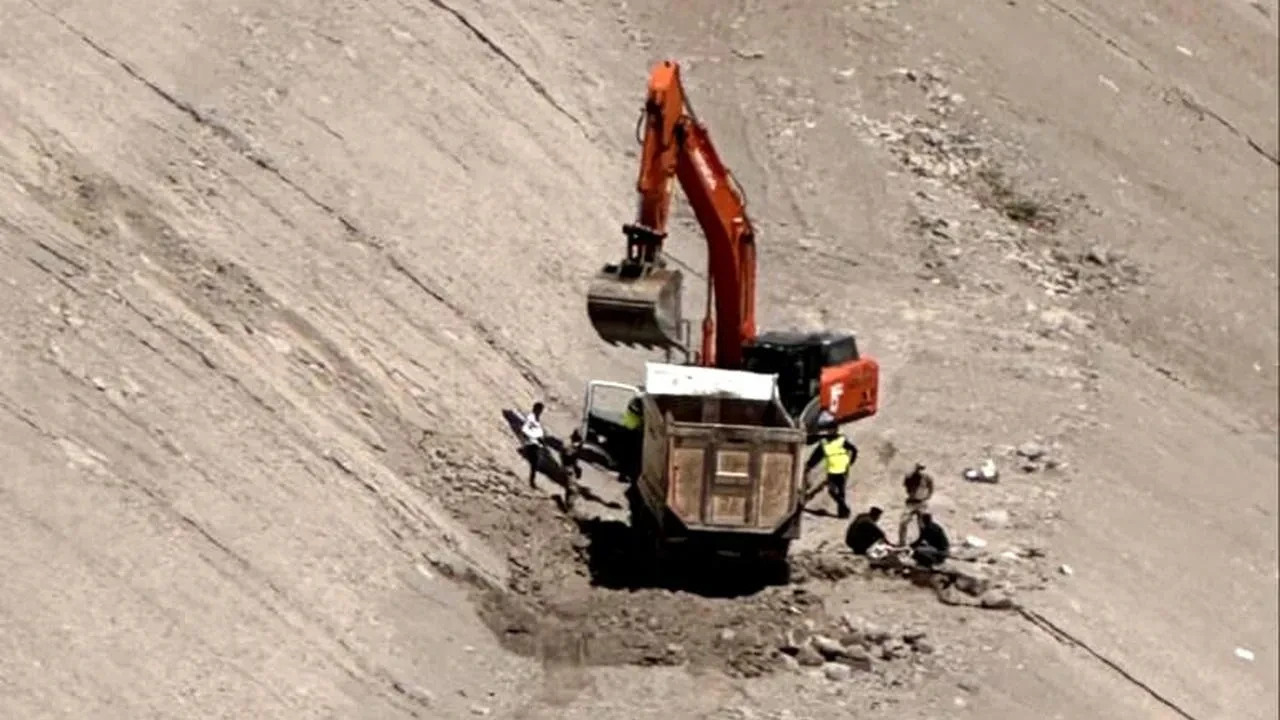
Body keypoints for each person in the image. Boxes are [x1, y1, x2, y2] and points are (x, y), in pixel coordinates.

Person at [805, 428, 858, 519]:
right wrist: (810, 465)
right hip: (836, 469)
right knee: (834, 491)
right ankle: (844, 510)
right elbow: (817, 455)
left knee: (838, 491)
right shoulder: (829, 442)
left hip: (840, 469)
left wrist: (851, 462)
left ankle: (843, 512)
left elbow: (854, 449)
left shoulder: (838, 441)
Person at [897, 462, 935, 546]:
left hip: (921, 502)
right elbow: (906, 486)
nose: (919, 471)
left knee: (923, 524)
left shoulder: (927, 477)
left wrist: (927, 497)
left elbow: (931, 488)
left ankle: (924, 541)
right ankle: (902, 542)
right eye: (917, 469)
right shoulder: (910, 477)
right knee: (903, 522)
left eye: (921, 469)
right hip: (911, 502)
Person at [617, 395, 644, 482]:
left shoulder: (634, 401)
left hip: (627, 428)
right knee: (631, 456)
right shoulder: (639, 404)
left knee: (626, 455)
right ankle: (628, 476)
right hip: (632, 431)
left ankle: (623, 475)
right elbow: (638, 414)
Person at [520, 401, 547, 489]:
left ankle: (532, 480)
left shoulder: (536, 418)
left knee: (535, 464)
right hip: (531, 444)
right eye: (540, 410)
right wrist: (536, 437)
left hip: (536, 444)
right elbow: (525, 430)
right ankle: (531, 481)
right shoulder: (531, 418)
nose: (541, 412)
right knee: (534, 463)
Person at [557, 429, 585, 510]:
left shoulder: (571, 444)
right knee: (573, 490)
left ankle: (568, 505)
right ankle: (568, 506)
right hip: (568, 468)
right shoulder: (568, 445)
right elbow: (568, 455)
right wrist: (575, 448)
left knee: (570, 488)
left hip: (569, 467)